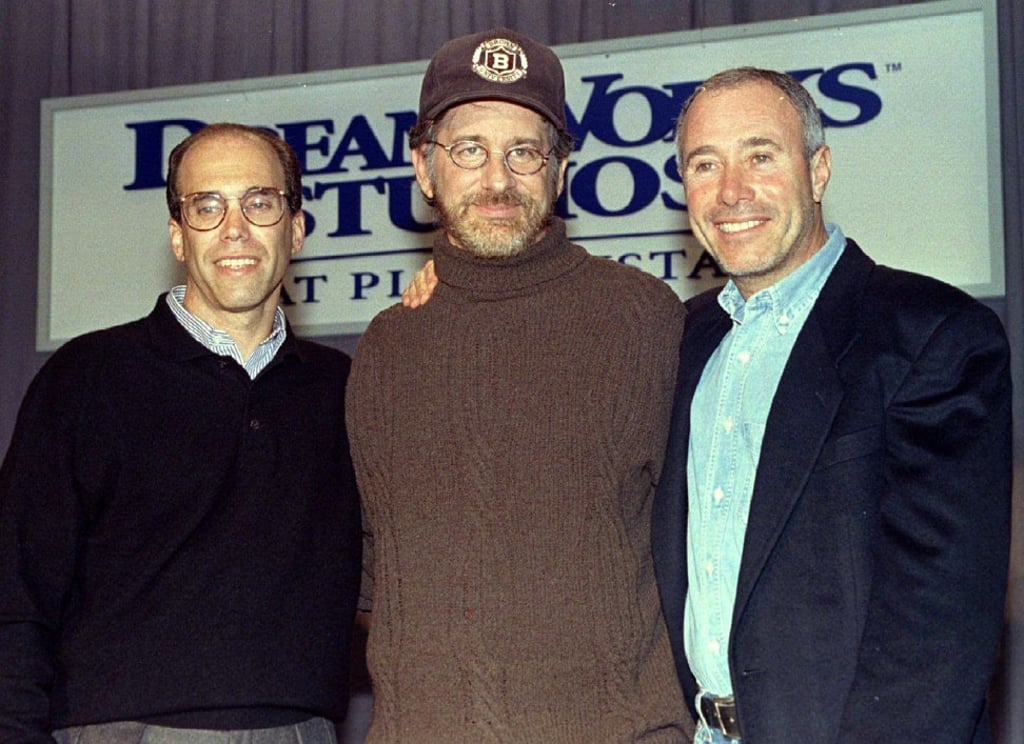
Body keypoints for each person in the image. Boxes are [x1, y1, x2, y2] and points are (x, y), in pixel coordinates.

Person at [345, 28, 692, 742]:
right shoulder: (389, 344)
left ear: (559, 169)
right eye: (469, 150)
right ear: (424, 168)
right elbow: (375, 573)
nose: (497, 180)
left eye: (524, 151)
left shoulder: (644, 318)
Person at [651, 67, 1013, 743]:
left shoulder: (930, 336)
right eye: (706, 164)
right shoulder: (677, 340)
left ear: (819, 170)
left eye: (760, 155)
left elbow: (938, 634)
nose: (732, 192)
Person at [0, 123, 363, 744]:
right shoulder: (87, 379)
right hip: (119, 730)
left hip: (298, 731)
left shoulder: (348, 390)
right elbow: (15, 594)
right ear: (177, 236)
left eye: (260, 201)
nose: (234, 228)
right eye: (207, 206)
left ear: (296, 228)